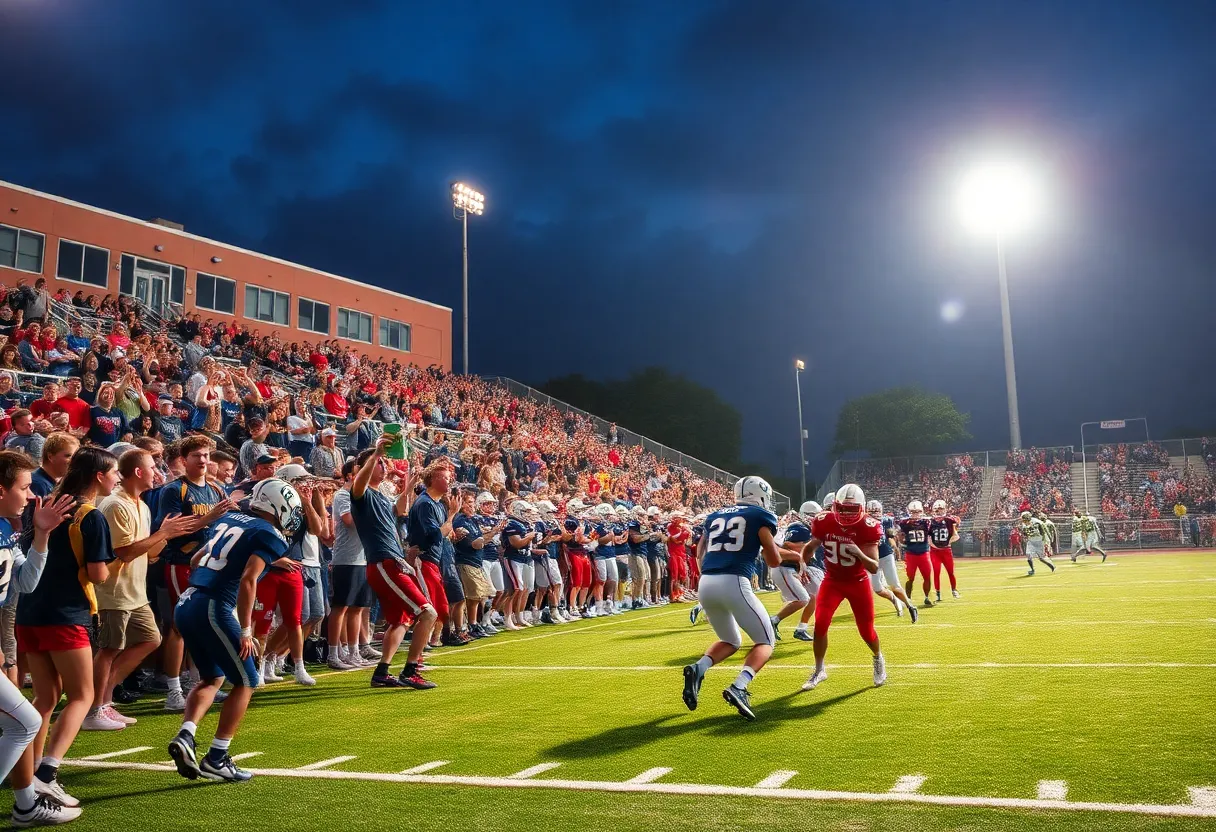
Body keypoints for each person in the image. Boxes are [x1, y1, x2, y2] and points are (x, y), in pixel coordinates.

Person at [167, 479, 304, 783]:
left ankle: (187, 736)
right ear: (277, 506)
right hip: (212, 605)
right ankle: (217, 757)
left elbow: (196, 558)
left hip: (187, 601)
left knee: (212, 677)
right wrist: (245, 629)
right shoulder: (270, 534)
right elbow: (247, 580)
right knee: (246, 680)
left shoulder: (229, 517)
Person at [20, 447, 120, 811]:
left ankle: (28, 772)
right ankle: (46, 775)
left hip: (30, 610)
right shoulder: (90, 516)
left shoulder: (45, 503)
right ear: (98, 476)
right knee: (82, 696)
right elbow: (98, 574)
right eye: (114, 473)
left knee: (44, 699)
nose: (117, 479)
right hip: (67, 613)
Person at [86, 450, 203, 731]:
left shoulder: (142, 505)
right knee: (109, 648)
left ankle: (104, 699)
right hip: (113, 591)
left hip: (135, 591)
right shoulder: (115, 505)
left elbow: (149, 554)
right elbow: (123, 553)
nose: (158, 472)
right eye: (152, 467)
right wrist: (163, 534)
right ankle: (94, 709)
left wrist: (167, 535)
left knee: (150, 639)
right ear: (138, 472)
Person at [0, 452, 78, 826]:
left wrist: (42, 536)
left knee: (24, 721)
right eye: (24, 487)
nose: (31, 496)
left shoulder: (6, 528)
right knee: (25, 721)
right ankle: (26, 804)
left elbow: (26, 583)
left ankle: (26, 805)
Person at [681, 475, 780, 721]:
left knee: (730, 640)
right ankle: (740, 686)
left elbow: (699, 551)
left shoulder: (715, 515)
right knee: (766, 641)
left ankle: (698, 668)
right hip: (734, 579)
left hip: (707, 581)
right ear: (761, 494)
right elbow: (774, 560)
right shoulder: (760, 516)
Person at [155, 435, 238, 711]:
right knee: (179, 626)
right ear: (183, 460)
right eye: (197, 456)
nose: (203, 460)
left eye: (206, 455)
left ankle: (198, 682)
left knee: (201, 625)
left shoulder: (214, 489)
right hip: (181, 562)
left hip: (208, 565)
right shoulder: (174, 490)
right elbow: (170, 530)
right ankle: (173, 690)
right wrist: (209, 518)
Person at [350, 435, 437, 689]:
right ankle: (410, 670)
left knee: (401, 620)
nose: (383, 466)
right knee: (427, 612)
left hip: (392, 561)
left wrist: (410, 485)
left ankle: (382, 672)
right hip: (384, 561)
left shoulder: (380, 497)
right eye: (379, 463)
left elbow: (398, 509)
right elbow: (359, 482)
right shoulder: (361, 493)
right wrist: (376, 452)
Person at [800, 484, 886, 692]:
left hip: (857, 582)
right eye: (843, 508)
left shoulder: (868, 526)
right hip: (833, 581)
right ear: (835, 506)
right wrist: (802, 563)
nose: (846, 514)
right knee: (820, 624)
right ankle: (819, 669)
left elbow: (873, 567)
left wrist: (858, 552)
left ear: (862, 508)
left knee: (866, 631)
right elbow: (811, 546)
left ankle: (878, 658)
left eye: (851, 509)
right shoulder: (824, 520)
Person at [327, 460, 377, 670]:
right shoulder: (343, 495)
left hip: (362, 557)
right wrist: (374, 520)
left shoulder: (363, 496)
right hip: (346, 558)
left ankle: (353, 651)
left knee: (358, 608)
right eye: (359, 472)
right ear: (349, 475)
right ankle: (333, 653)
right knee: (341, 607)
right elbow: (348, 520)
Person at [407, 460, 459, 651]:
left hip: (433, 560)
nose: (449, 481)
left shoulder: (437, 505)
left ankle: (431, 640)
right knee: (429, 607)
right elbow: (435, 535)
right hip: (424, 558)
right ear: (434, 479)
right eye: (445, 478)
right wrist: (452, 515)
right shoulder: (425, 504)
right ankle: (421, 645)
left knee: (441, 606)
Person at [450, 489, 500, 640]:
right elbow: (476, 544)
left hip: (476, 562)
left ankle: (473, 623)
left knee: (477, 597)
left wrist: (488, 535)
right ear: (461, 503)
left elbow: (480, 539)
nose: (472, 506)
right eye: (469, 503)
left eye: (472, 503)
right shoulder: (460, 520)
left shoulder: (471, 520)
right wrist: (493, 533)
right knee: (470, 597)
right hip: (466, 561)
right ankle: (466, 625)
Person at [771, 501, 820, 640]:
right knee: (803, 599)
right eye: (813, 516)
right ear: (805, 515)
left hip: (793, 567)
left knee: (814, 596)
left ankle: (801, 629)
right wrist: (807, 547)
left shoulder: (808, 529)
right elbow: (787, 545)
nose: (815, 519)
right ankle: (772, 621)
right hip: (784, 568)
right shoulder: (799, 527)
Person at [868, 500, 918, 622]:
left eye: (877, 511)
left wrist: (896, 550)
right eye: (872, 511)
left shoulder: (886, 520)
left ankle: (910, 606)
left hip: (885, 555)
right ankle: (894, 600)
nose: (875, 513)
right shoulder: (863, 522)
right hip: (871, 558)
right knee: (878, 589)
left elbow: (890, 537)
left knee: (895, 586)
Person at [898, 500, 934, 607]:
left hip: (924, 553)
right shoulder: (905, 523)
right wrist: (902, 542)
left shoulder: (926, 522)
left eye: (918, 512)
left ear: (921, 512)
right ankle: (907, 599)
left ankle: (927, 597)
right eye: (913, 512)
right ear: (909, 512)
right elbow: (900, 535)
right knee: (910, 578)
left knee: (927, 576)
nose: (916, 514)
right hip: (911, 554)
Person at [927, 499, 960, 601]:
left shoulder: (950, 520)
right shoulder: (929, 522)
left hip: (946, 550)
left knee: (951, 572)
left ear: (945, 509)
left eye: (940, 509)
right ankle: (938, 593)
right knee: (936, 572)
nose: (938, 511)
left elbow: (956, 535)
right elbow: (928, 538)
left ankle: (954, 590)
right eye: (936, 510)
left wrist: (948, 542)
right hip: (935, 551)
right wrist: (935, 546)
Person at [1021, 510, 1056, 575]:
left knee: (1041, 558)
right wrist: (1024, 534)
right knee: (1028, 554)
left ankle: (1052, 565)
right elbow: (1024, 532)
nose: (1023, 520)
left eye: (1024, 518)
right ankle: (1032, 570)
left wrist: (1046, 539)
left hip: (1039, 541)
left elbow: (1044, 530)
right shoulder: (1024, 524)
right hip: (1031, 541)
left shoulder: (1037, 522)